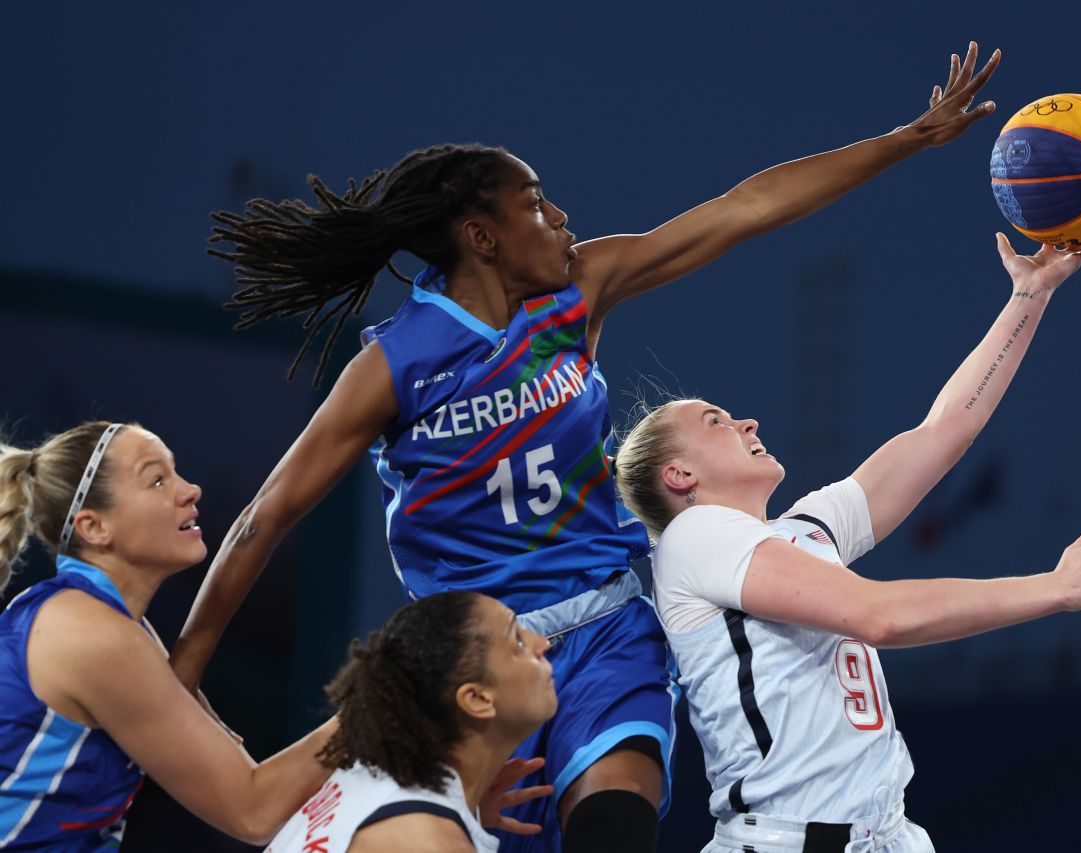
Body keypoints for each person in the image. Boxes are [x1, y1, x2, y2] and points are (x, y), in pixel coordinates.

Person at [173, 43, 1002, 853]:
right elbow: (266, 514)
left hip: (607, 624)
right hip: (481, 651)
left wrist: (904, 140)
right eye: (535, 204)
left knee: (615, 824)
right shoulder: (394, 364)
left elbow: (744, 206)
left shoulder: (576, 294)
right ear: (480, 237)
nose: (561, 216)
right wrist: (182, 675)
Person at [612, 232, 1081, 852]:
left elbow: (942, 431)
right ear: (680, 477)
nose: (746, 422)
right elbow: (880, 617)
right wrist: (1054, 589)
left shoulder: (803, 532)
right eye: (716, 421)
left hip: (884, 837)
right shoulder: (694, 536)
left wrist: (1029, 296)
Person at [0, 422, 337, 850]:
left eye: (175, 473)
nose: (190, 489)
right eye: (157, 480)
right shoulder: (95, 637)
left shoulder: (105, 623)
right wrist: (390, 693)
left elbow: (247, 777)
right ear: (94, 527)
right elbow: (254, 811)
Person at [267, 591, 558, 852]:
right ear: (477, 699)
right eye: (518, 642)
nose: (542, 644)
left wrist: (472, 813)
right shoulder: (428, 841)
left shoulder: (367, 779)